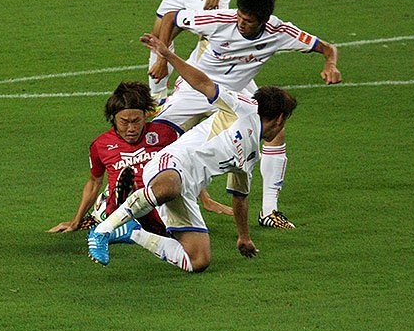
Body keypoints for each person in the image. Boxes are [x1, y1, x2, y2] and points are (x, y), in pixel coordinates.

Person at [87, 34, 297, 272]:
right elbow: (203, 84)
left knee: (198, 261)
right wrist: (167, 55)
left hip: (187, 191)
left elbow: (240, 197)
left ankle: (132, 232)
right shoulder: (244, 107)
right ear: (280, 119)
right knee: (169, 187)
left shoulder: (251, 156)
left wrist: (244, 237)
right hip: (171, 164)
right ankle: (103, 230)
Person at [149, 0, 340, 229]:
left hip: (236, 95)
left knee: (275, 130)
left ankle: (269, 211)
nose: (240, 23)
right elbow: (171, 17)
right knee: (153, 136)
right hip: (197, 88)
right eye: (239, 16)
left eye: (248, 21)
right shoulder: (219, 20)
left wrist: (330, 65)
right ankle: (118, 202)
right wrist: (162, 60)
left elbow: (327, 48)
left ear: (264, 21)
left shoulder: (280, 32)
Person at [48, 81, 178, 236]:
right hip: (117, 209)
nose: (131, 128)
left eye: (136, 121)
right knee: (114, 206)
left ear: (145, 116)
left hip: (156, 200)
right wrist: (75, 221)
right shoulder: (100, 145)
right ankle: (125, 211)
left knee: (159, 203)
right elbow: (94, 182)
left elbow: (186, 167)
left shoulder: (165, 134)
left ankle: (131, 220)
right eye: (124, 122)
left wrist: (201, 199)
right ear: (113, 119)